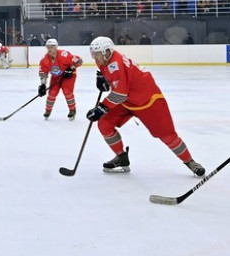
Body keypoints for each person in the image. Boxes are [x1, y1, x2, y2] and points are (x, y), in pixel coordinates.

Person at [85, 36, 205, 176]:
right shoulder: (105, 60)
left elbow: (120, 93)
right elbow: (116, 83)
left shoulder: (115, 64)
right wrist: (102, 78)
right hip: (128, 100)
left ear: (106, 52)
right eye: (93, 54)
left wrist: (102, 107)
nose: (95, 58)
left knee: (167, 135)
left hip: (148, 100)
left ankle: (190, 162)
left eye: (97, 54)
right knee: (104, 124)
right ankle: (121, 158)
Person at [37, 39, 83, 120]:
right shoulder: (45, 60)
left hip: (68, 76)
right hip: (56, 77)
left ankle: (72, 110)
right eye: (48, 47)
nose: (50, 49)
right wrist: (43, 85)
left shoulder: (63, 55)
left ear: (56, 47)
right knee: (52, 93)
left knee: (67, 91)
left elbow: (79, 60)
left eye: (52, 47)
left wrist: (71, 68)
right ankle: (48, 110)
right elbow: (43, 72)